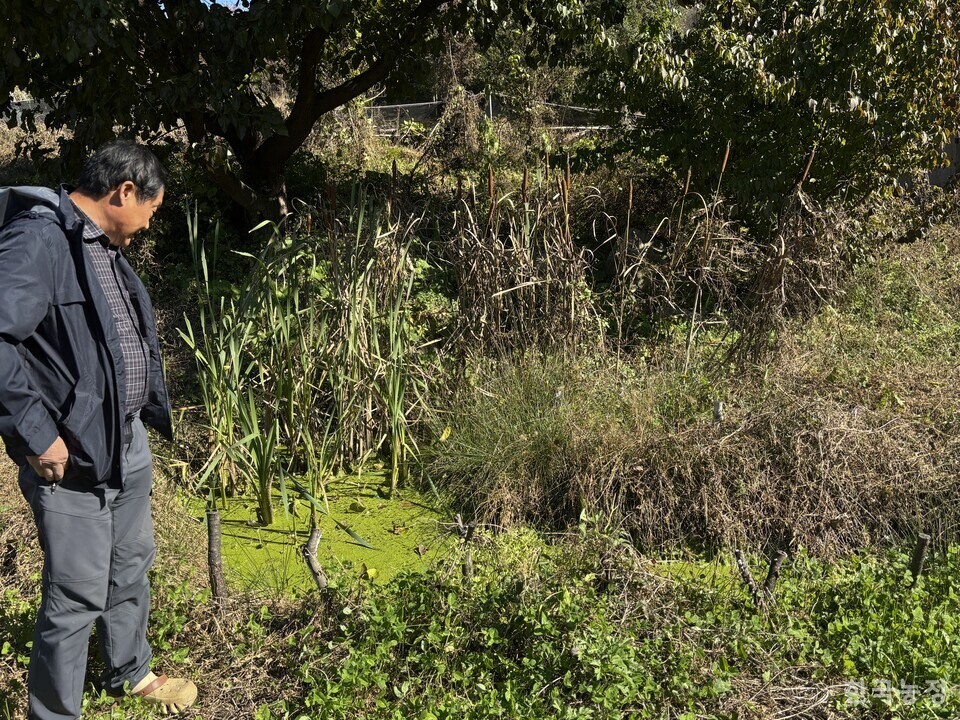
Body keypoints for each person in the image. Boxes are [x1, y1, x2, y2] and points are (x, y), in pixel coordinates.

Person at [0, 141, 197, 719]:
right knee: (75, 593)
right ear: (125, 192)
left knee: (131, 564)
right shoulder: (40, 240)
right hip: (71, 455)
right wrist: (37, 434)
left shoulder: (101, 245)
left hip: (124, 442)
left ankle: (130, 673)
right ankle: (54, 713)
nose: (148, 224)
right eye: (151, 210)